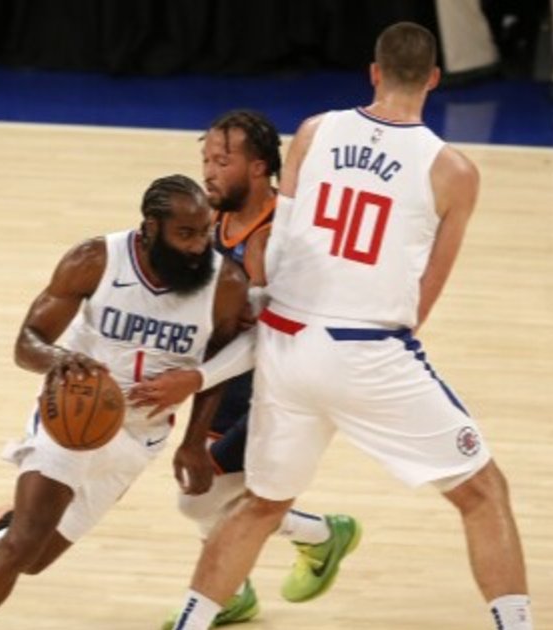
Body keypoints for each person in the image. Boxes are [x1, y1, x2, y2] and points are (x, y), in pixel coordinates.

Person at [169, 22, 534, 630]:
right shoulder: (455, 171)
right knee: (482, 492)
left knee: (261, 505)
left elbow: (277, 250)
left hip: (285, 343)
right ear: (435, 80)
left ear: (373, 72)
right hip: (366, 350)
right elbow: (426, 294)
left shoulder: (316, 131)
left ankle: (189, 623)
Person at [0, 174, 248, 630]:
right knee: (23, 544)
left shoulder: (225, 284)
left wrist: (194, 442)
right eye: (185, 234)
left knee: (35, 559)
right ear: (150, 228)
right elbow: (28, 342)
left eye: (203, 232)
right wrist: (58, 358)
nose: (199, 245)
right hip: (72, 419)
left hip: (141, 436)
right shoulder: (95, 260)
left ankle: (1, 527)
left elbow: (217, 369)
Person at [126, 110, 361, 629]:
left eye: (221, 160)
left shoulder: (274, 237)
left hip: (281, 382)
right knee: (210, 496)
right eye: (205, 158)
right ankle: (240, 586)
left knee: (205, 500)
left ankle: (321, 537)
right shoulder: (212, 221)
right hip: (232, 379)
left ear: (258, 169)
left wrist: (194, 378)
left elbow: (261, 333)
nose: (208, 171)